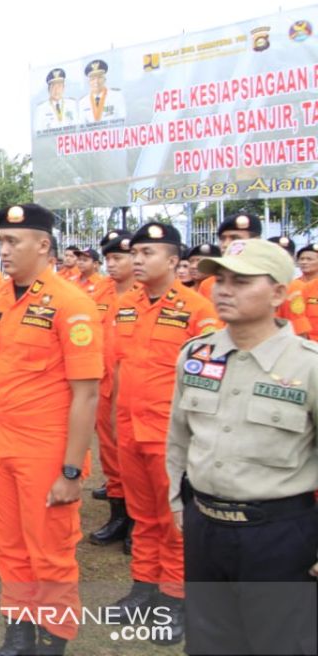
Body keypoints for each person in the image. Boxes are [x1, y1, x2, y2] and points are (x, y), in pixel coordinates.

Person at [167, 239, 318, 656]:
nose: (223, 290)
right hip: (206, 527)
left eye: (242, 281)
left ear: (278, 294)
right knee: (210, 641)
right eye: (220, 280)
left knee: (281, 643)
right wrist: (180, 506)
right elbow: (179, 438)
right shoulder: (197, 355)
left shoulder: (309, 365)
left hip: (278, 534)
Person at [0, 204, 104, 656]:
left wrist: (71, 471)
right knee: (7, 546)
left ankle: (53, 641)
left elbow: (86, 394)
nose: (2, 250)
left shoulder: (72, 304)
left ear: (43, 245)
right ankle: (19, 634)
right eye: (1, 241)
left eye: (13, 242)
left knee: (49, 553)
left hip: (45, 451)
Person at [108, 223, 218, 642]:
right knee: (143, 517)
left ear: (174, 261)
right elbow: (119, 367)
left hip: (173, 436)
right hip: (131, 430)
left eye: (147, 252)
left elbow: (207, 382)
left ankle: (174, 600)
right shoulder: (126, 305)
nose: (137, 259)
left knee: (175, 522)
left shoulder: (198, 311)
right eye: (134, 252)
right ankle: (144, 590)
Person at [88, 231, 135, 549]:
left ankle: (138, 520)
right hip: (104, 388)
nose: (112, 264)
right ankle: (119, 514)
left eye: (119, 257)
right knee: (111, 456)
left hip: (136, 392)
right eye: (108, 259)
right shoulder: (101, 292)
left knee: (137, 459)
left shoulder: (145, 296)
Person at [196, 212, 261, 299]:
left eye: (235, 238)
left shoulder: (272, 282)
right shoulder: (208, 285)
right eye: (222, 239)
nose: (225, 244)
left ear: (256, 241)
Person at [272, 235, 314, 340]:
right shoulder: (252, 286)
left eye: (309, 259)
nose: (304, 262)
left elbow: (299, 326)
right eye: (302, 259)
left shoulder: (295, 287)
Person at [76, 59, 126, 124]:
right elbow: (82, 126)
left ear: (105, 79)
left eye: (99, 77)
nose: (96, 82)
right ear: (89, 82)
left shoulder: (116, 96)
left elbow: (123, 121)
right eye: (93, 79)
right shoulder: (83, 102)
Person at [34, 67, 78, 134]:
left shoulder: (72, 104)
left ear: (63, 88)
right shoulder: (41, 109)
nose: (56, 90)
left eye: (59, 86)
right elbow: (37, 134)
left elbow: (78, 129)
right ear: (48, 89)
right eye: (53, 87)